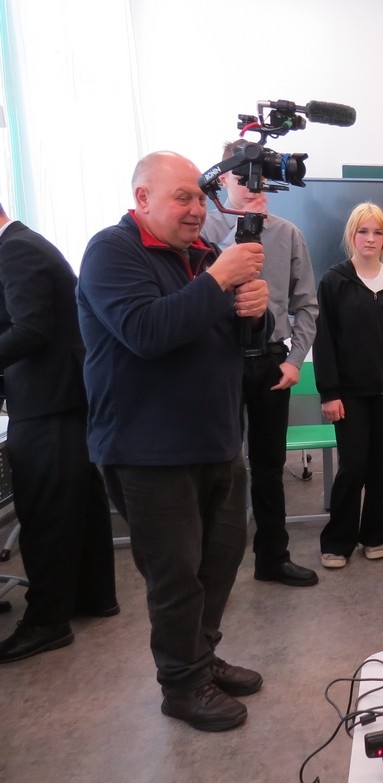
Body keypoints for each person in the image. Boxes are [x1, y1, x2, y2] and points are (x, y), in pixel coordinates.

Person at [77, 151, 272, 732]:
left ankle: (200, 657)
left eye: (199, 197)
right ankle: (183, 685)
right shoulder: (111, 252)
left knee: (221, 559)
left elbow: (235, 338)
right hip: (148, 451)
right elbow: (146, 332)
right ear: (142, 199)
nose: (196, 209)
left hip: (216, 439)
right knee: (175, 575)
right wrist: (220, 280)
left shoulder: (203, 255)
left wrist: (255, 313)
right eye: (181, 197)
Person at [0, 202, 117, 663]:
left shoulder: (15, 250)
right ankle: (94, 595)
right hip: (64, 394)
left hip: (47, 398)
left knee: (45, 509)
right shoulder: (25, 244)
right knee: (79, 501)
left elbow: (29, 330)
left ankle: (47, 622)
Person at [201, 139, 320, 588]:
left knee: (269, 468)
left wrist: (295, 361)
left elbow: (307, 306)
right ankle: (212, 569)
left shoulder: (287, 234)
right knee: (217, 468)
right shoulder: (204, 230)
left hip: (270, 362)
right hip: (220, 365)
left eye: (259, 178)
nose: (252, 186)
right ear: (223, 179)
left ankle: (272, 557)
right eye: (242, 177)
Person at [314, 202, 383, 570]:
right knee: (353, 467)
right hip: (349, 395)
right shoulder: (334, 281)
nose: (370, 238)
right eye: (363, 231)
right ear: (352, 236)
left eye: (377, 232)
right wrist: (329, 392)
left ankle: (375, 536)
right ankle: (337, 541)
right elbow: (325, 340)